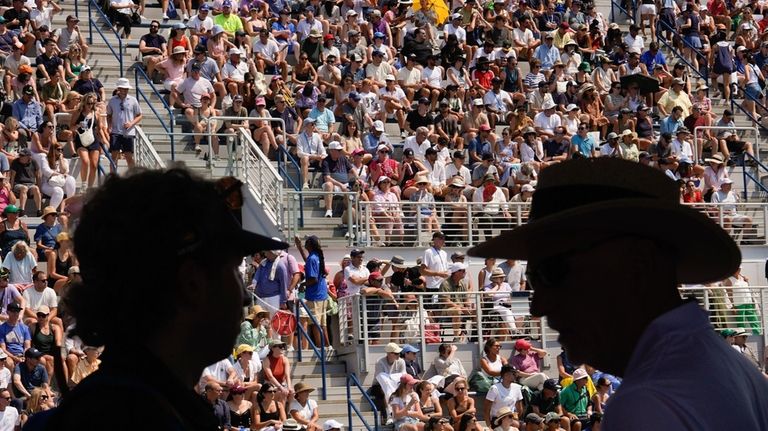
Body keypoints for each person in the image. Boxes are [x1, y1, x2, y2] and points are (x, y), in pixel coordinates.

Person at [467, 157, 768, 429]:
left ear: (637, 263)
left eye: (552, 272)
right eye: (533, 277)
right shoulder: (741, 373)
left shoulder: (647, 405)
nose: (539, 305)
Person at [26, 169, 288, 429]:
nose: (244, 296)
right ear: (192, 282)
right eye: (232, 270)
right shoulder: (136, 416)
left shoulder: (116, 404)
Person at [106, 78, 142, 172]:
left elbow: (139, 115)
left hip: (128, 132)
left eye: (126, 89)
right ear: (119, 88)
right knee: (114, 156)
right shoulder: (112, 100)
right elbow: (109, 115)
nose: (125, 90)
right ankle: (113, 177)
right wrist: (109, 126)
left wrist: (131, 123)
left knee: (129, 156)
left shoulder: (133, 100)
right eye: (123, 88)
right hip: (115, 131)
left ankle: (133, 177)